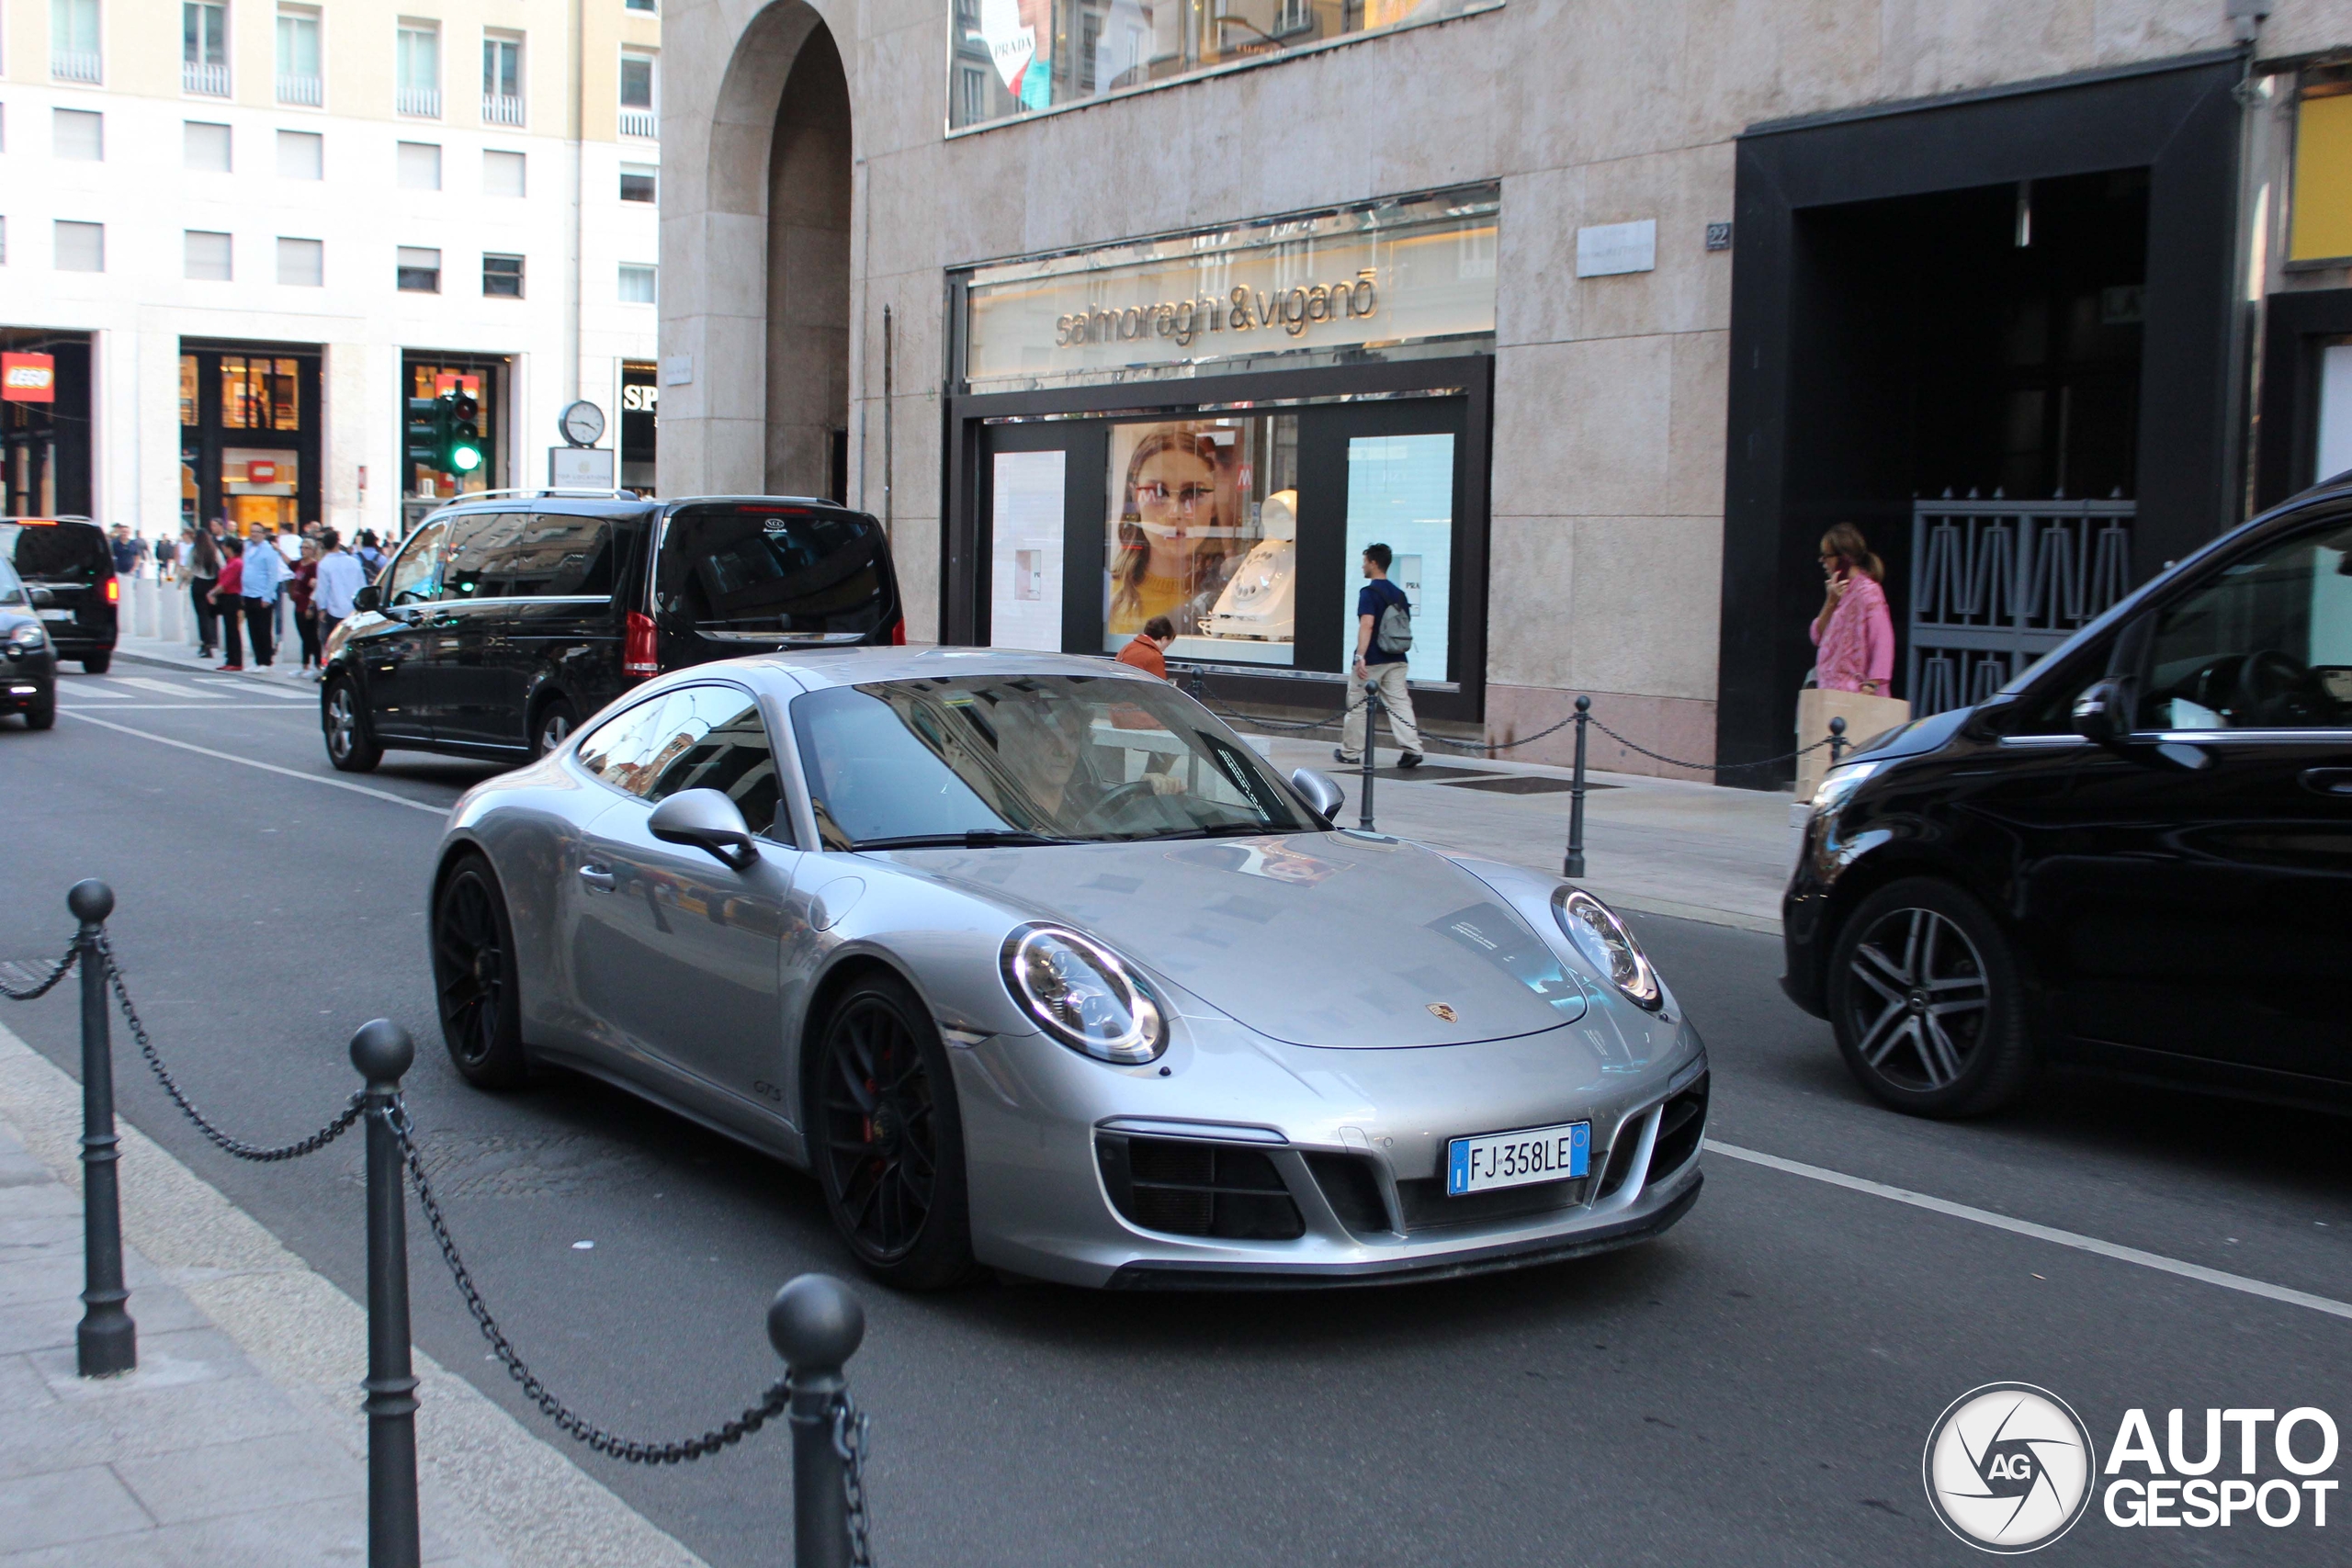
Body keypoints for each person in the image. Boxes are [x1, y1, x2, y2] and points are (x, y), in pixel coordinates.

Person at [1107, 431, 1232, 637]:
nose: (1175, 513)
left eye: (1193, 493)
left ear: (1214, 504)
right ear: (1134, 497)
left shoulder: (1232, 594)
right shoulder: (1107, 598)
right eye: (1158, 492)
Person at [1336, 543, 1423, 768]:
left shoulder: (1369, 593)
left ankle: (1350, 752)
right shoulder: (1399, 594)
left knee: (1358, 704)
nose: (1363, 566)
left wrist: (1360, 656)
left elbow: (1367, 624)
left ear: (1374, 563)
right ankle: (1412, 748)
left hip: (1372, 659)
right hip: (1397, 658)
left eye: (1365, 561)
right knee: (1400, 704)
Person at [1810, 523, 1894, 696]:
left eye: (1827, 556)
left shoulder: (1868, 592)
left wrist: (1872, 685)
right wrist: (1831, 602)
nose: (1822, 561)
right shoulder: (1838, 591)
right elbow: (1816, 636)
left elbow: (1883, 640)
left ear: (1843, 558)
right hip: (1829, 693)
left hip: (1855, 695)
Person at [237, 529, 288, 668]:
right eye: (252, 531)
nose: (254, 534)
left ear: (263, 534)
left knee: (263, 629)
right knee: (252, 628)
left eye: (258, 532)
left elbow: (273, 575)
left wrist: (267, 595)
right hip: (249, 594)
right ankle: (258, 659)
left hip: (262, 595)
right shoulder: (248, 548)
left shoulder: (268, 550)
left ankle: (266, 660)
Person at [313, 528, 366, 654]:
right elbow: (362, 584)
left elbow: (323, 589)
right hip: (354, 609)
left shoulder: (324, 564)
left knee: (334, 643)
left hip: (334, 609)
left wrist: (322, 608)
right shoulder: (354, 562)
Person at [209, 543, 246, 670]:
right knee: (228, 629)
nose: (223, 549)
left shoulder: (236, 563)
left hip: (233, 597)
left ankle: (236, 661)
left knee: (233, 630)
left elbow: (226, 582)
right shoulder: (230, 562)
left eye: (225, 547)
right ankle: (230, 659)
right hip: (226, 597)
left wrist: (212, 593)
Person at [289, 538, 322, 672]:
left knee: (312, 636)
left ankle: (317, 663)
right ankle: (304, 665)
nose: (303, 550)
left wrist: (310, 606)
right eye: (302, 548)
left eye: (307, 548)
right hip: (298, 603)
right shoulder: (299, 564)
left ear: (313, 550)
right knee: (303, 635)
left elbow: (315, 588)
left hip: (308, 604)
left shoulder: (314, 566)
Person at [1115, 615, 1175, 680]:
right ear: (1164, 639)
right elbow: (1160, 687)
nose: (1163, 650)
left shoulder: (1127, 647)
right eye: (1167, 645)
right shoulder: (1154, 657)